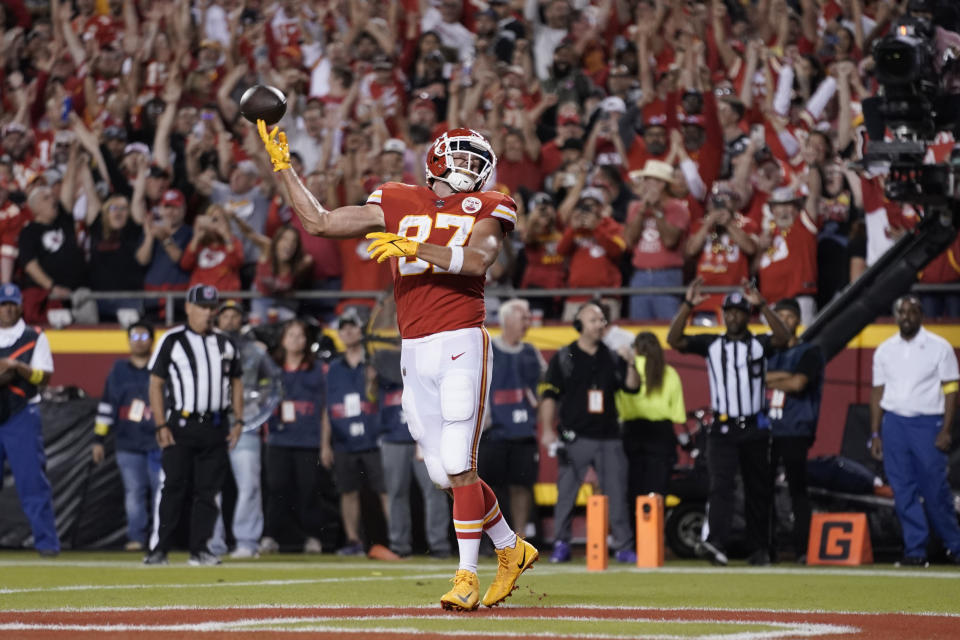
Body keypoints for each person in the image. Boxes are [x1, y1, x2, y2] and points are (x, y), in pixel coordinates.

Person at [258, 122, 536, 611]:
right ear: (436, 159)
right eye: (463, 157)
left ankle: (467, 576)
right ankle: (511, 547)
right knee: (442, 475)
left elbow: (479, 259)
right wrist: (285, 169)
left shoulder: (491, 204)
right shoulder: (395, 197)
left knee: (458, 462)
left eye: (478, 161)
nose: (472, 168)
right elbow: (320, 222)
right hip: (413, 348)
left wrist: (416, 249)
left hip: (460, 339)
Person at [667, 278, 791, 566]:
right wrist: (687, 306)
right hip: (722, 429)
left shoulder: (760, 344)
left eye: (740, 311)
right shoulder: (712, 343)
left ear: (748, 315)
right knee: (720, 487)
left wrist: (764, 307)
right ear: (724, 315)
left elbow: (784, 337)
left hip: (755, 427)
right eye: (730, 312)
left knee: (757, 489)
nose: (735, 316)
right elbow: (673, 340)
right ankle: (716, 544)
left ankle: (759, 548)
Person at [143, 284, 244, 566]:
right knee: (173, 487)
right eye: (202, 307)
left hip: (214, 424)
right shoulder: (171, 340)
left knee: (208, 492)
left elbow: (236, 381)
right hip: (181, 424)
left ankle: (200, 549)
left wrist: (239, 419)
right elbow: (155, 383)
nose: (208, 313)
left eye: (212, 308)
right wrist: (161, 423)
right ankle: (159, 548)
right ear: (188, 307)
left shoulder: (225, 342)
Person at [539, 302, 640, 565]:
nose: (600, 324)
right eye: (594, 320)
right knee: (567, 495)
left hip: (609, 436)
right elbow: (549, 396)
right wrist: (548, 430)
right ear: (579, 324)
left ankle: (623, 546)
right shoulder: (564, 356)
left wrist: (631, 364)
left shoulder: (612, 355)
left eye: (602, 320)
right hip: (575, 436)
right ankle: (561, 544)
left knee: (617, 494)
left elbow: (631, 388)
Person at [870, 294, 960, 567]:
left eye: (912, 312)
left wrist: (946, 429)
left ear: (921, 315)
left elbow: (951, 389)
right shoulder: (884, 349)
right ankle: (915, 550)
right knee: (903, 490)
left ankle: (955, 546)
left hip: (927, 422)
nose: (906, 317)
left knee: (935, 489)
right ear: (896, 316)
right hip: (895, 423)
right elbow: (877, 391)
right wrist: (875, 433)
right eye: (902, 312)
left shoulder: (939, 347)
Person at [209, 301, 280, 559]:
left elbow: (272, 385)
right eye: (224, 315)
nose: (229, 320)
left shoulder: (254, 352)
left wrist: (256, 414)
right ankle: (212, 543)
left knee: (249, 485)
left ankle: (247, 542)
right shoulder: (207, 350)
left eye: (234, 316)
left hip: (246, 426)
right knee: (210, 488)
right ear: (217, 320)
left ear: (242, 320)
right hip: (213, 426)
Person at [320, 310, 394, 557]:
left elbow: (383, 398)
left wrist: (373, 381)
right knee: (347, 492)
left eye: (352, 327)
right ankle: (353, 541)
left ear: (360, 331)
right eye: (343, 328)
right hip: (343, 439)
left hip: (374, 436)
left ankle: (396, 539)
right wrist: (325, 444)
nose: (348, 332)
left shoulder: (374, 362)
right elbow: (327, 408)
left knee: (385, 490)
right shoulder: (333, 368)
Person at [260, 319, 334, 555]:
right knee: (276, 488)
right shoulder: (272, 368)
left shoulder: (319, 369)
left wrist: (324, 444)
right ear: (283, 339)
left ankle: (312, 537)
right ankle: (271, 536)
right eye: (291, 335)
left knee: (308, 490)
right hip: (278, 440)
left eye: (300, 335)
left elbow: (325, 410)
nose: (295, 340)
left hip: (308, 440)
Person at [479, 299, 546, 544]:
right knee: (491, 490)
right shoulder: (488, 350)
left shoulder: (531, 353)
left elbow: (545, 386)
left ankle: (519, 540)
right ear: (507, 320)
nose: (528, 323)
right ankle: (493, 541)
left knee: (522, 487)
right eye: (524, 318)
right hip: (492, 432)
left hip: (522, 432)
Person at [764, 298, 824, 564]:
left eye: (790, 316)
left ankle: (802, 548)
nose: (785, 321)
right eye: (780, 316)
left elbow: (798, 383)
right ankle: (766, 547)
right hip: (765, 428)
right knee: (762, 490)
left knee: (797, 490)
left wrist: (766, 377)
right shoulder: (765, 350)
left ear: (799, 321)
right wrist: (782, 377)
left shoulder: (810, 352)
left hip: (795, 429)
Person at [0, 283, 58, 556]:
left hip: (21, 413)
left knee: (32, 482)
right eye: (3, 304)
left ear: (21, 306)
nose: (7, 309)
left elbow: (44, 377)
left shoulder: (34, 336)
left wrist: (16, 367)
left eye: (12, 303)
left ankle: (47, 545)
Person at [92, 321, 161, 552]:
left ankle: (160, 537)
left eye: (143, 337)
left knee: (161, 492)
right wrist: (98, 440)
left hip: (157, 440)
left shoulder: (162, 367)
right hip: (127, 442)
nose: (139, 341)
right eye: (135, 337)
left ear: (152, 340)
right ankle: (136, 537)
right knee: (134, 493)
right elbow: (106, 405)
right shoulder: (118, 369)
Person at [615, 332, 686, 500]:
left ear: (636, 349)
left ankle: (633, 526)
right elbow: (679, 415)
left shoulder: (628, 370)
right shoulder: (670, 373)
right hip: (661, 435)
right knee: (657, 493)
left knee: (633, 491)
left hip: (632, 433)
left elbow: (618, 406)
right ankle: (654, 526)